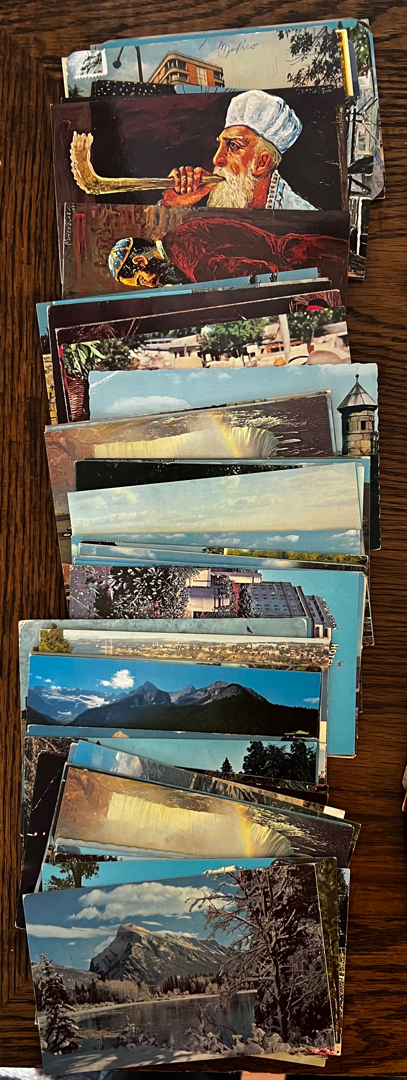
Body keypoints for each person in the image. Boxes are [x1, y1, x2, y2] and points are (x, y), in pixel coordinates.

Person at [161, 90, 316, 211]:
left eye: (233, 146)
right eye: (220, 144)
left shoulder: (300, 213)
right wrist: (170, 206)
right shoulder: (227, 201)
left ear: (261, 162)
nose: (216, 159)